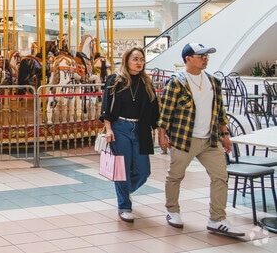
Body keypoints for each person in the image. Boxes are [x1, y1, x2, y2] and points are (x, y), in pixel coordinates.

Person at [157, 43, 244, 237]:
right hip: (184, 139)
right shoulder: (177, 82)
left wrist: (225, 134)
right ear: (188, 58)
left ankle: (217, 219)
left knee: (220, 176)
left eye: (207, 55)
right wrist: (162, 135)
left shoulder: (213, 81)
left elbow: (220, 110)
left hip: (210, 139)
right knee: (175, 176)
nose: (205, 58)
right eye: (201, 55)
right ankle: (172, 210)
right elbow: (166, 111)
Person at [100, 47, 160, 223]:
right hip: (120, 127)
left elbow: (154, 108)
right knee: (122, 169)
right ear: (127, 60)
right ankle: (124, 205)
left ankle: (125, 191)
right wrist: (108, 128)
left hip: (140, 128)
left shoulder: (146, 83)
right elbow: (106, 105)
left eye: (141, 59)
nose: (139, 62)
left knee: (143, 171)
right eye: (135, 59)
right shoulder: (115, 80)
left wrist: (161, 131)